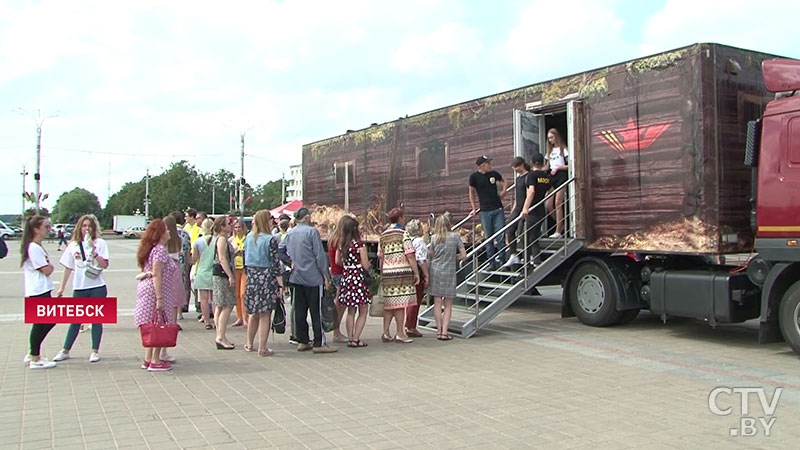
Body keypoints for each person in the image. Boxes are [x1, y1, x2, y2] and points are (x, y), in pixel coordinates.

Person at [278, 207, 337, 353]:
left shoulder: (290, 233)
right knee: (316, 311)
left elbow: (280, 250)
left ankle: (302, 340)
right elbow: (319, 255)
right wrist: (326, 276)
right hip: (313, 277)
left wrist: (289, 262)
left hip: (297, 276)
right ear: (306, 217)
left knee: (300, 310)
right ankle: (319, 342)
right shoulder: (312, 232)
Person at [53, 214, 110, 363]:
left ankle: (95, 351)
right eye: (84, 226)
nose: (87, 229)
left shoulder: (101, 243)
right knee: (75, 320)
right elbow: (68, 267)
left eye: (89, 226)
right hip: (79, 287)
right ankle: (65, 350)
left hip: (97, 286)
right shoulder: (73, 245)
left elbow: (104, 265)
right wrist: (61, 288)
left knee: (96, 319)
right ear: (79, 227)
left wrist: (94, 250)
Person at [133, 219, 174, 372]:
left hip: (146, 288)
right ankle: (155, 360)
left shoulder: (150, 249)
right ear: (161, 233)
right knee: (159, 324)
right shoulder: (160, 251)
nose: (169, 232)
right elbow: (157, 274)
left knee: (150, 324)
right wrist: (159, 298)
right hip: (157, 291)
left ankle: (147, 358)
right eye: (167, 230)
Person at [243, 210, 283, 356]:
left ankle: (249, 343)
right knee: (265, 314)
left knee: (253, 312)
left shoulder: (248, 238)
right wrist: (280, 283)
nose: (273, 221)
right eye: (270, 219)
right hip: (266, 278)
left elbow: (244, 258)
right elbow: (275, 263)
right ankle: (262, 347)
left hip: (252, 278)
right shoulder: (270, 240)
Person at [377, 208, 419, 343]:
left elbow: (381, 256)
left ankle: (385, 332)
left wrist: (382, 272)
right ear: (400, 218)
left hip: (388, 272)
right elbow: (410, 255)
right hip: (401, 272)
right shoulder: (403, 234)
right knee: (400, 303)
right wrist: (416, 272)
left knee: (389, 304)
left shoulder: (383, 235)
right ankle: (400, 333)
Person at [21, 215, 57, 369]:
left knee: (47, 321)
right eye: (46, 227)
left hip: (41, 288)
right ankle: (35, 357)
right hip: (38, 290)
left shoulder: (37, 246)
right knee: (42, 322)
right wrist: (50, 266)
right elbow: (46, 270)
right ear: (36, 229)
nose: (49, 230)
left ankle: (32, 352)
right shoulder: (34, 247)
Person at [427, 214, 466, 340]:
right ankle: (444, 332)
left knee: (437, 302)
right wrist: (453, 257)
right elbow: (464, 255)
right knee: (448, 304)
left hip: (436, 270)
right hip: (449, 271)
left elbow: (431, 254)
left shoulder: (433, 238)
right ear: (449, 224)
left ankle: (438, 331)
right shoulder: (455, 237)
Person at [335, 216, 371, 347]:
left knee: (351, 311)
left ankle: (350, 338)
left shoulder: (342, 245)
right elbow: (366, 265)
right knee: (363, 310)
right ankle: (356, 338)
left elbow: (337, 262)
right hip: (358, 278)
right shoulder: (359, 245)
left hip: (347, 277)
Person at [469, 155, 508, 269]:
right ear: (482, 166)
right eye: (488, 163)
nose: (490, 165)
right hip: (485, 210)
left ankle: (502, 259)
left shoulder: (493, 174)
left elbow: (504, 180)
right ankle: (491, 261)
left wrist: (504, 191)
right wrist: (473, 207)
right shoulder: (474, 177)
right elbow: (471, 192)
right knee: (488, 236)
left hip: (497, 207)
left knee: (500, 235)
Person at [521, 153, 552, 266]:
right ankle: (536, 260)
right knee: (534, 236)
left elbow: (531, 191)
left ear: (532, 162)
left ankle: (527, 263)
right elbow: (550, 190)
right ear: (543, 163)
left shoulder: (531, 176)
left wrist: (525, 208)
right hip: (541, 210)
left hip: (532, 210)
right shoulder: (546, 177)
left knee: (526, 238)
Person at [211, 216, 237, 350]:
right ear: (222, 227)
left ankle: (221, 335)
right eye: (228, 224)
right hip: (222, 276)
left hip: (219, 275)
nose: (230, 225)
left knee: (220, 306)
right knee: (227, 305)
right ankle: (220, 336)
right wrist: (230, 276)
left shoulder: (222, 240)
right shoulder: (222, 240)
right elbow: (222, 258)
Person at [503, 157, 532, 268]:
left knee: (521, 232)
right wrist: (513, 210)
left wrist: (526, 208)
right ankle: (513, 254)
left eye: (516, 167)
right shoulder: (518, 179)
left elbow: (529, 193)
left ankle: (528, 256)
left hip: (525, 207)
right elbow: (517, 196)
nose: (515, 169)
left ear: (522, 165)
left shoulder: (528, 177)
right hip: (518, 207)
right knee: (509, 228)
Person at [405, 219, 429, 338]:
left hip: (406, 272)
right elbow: (421, 259)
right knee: (416, 300)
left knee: (410, 300)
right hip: (417, 273)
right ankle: (411, 326)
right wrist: (426, 275)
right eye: (421, 227)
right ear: (418, 229)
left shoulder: (408, 240)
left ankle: (408, 324)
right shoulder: (420, 241)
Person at [163, 215, 187, 330]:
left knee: (164, 294)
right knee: (176, 296)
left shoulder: (162, 240)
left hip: (164, 266)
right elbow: (182, 253)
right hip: (175, 266)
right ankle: (173, 321)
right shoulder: (179, 239)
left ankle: (165, 321)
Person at [544, 128, 569, 238]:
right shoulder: (549, 151)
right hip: (552, 176)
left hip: (561, 175)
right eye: (548, 138)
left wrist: (559, 168)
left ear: (556, 136)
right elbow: (547, 166)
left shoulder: (563, 149)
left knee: (558, 203)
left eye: (552, 137)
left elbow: (570, 165)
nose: (550, 140)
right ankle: (561, 224)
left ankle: (558, 231)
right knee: (548, 205)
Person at [327, 216, 348, 343]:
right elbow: (338, 260)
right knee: (340, 304)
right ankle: (336, 331)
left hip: (335, 273)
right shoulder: (341, 240)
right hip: (341, 273)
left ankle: (336, 330)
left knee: (339, 302)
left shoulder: (332, 239)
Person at [192, 218, 215, 329]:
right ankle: (216, 320)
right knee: (214, 299)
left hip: (202, 270)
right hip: (214, 271)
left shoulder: (198, 241)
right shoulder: (218, 240)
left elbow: (194, 259)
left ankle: (206, 321)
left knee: (203, 299)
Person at [172, 211, 192, 314]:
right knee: (183, 285)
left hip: (170, 264)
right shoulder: (185, 233)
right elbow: (188, 250)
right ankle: (182, 309)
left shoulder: (168, 233)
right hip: (183, 263)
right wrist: (189, 262)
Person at [229, 218, 248, 328]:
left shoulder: (247, 239)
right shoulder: (231, 240)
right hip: (235, 267)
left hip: (244, 268)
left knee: (243, 293)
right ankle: (239, 317)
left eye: (239, 227)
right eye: (235, 227)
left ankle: (245, 318)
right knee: (236, 294)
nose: (237, 229)